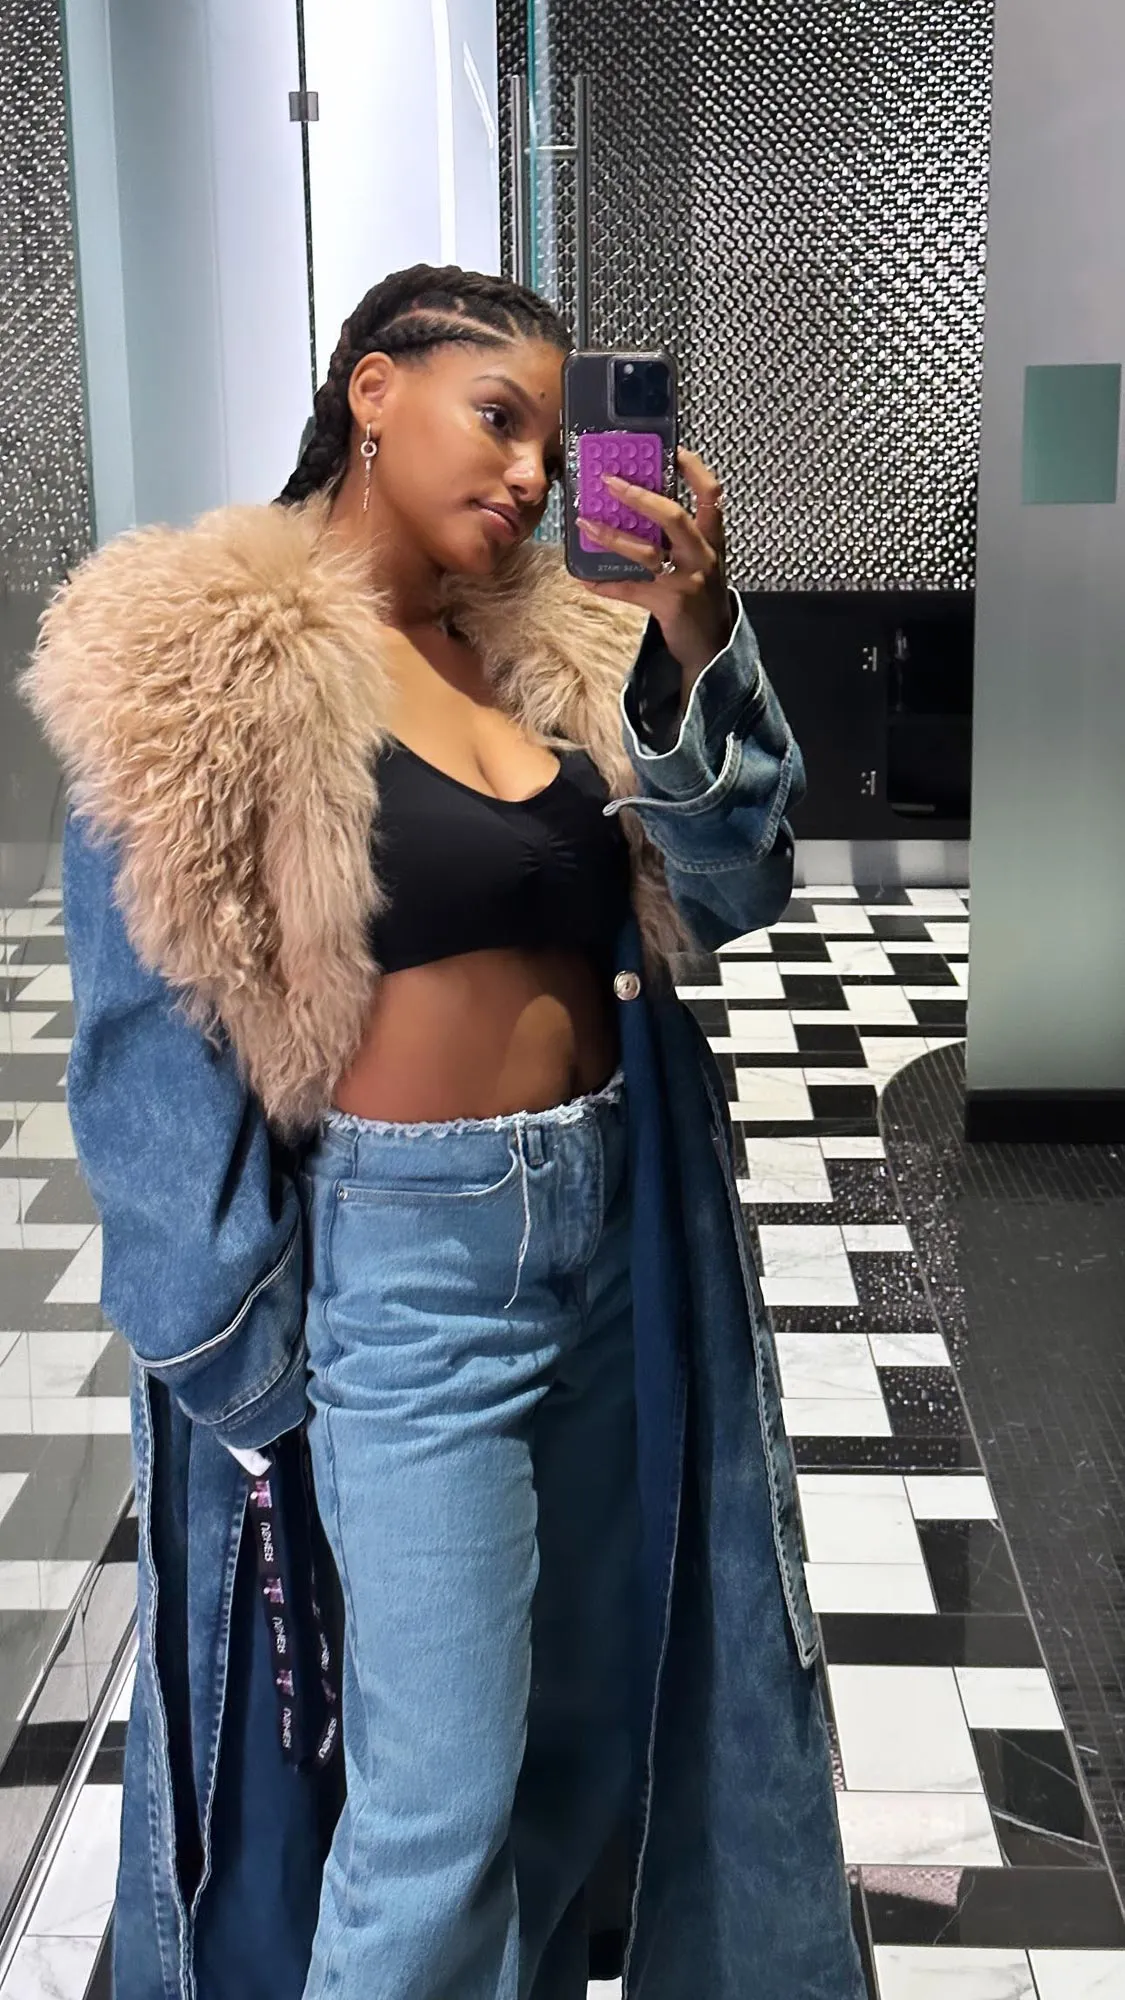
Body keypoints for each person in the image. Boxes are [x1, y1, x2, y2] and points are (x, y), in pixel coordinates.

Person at [25, 265, 863, 2000]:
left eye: (556, 441)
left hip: (615, 1238)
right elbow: (137, 1053)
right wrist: (253, 1369)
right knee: (437, 1808)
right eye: (500, 419)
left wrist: (694, 628)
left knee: (571, 1761)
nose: (535, 474)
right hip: (408, 1279)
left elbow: (738, 884)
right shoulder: (195, 658)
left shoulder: (557, 639)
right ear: (373, 393)